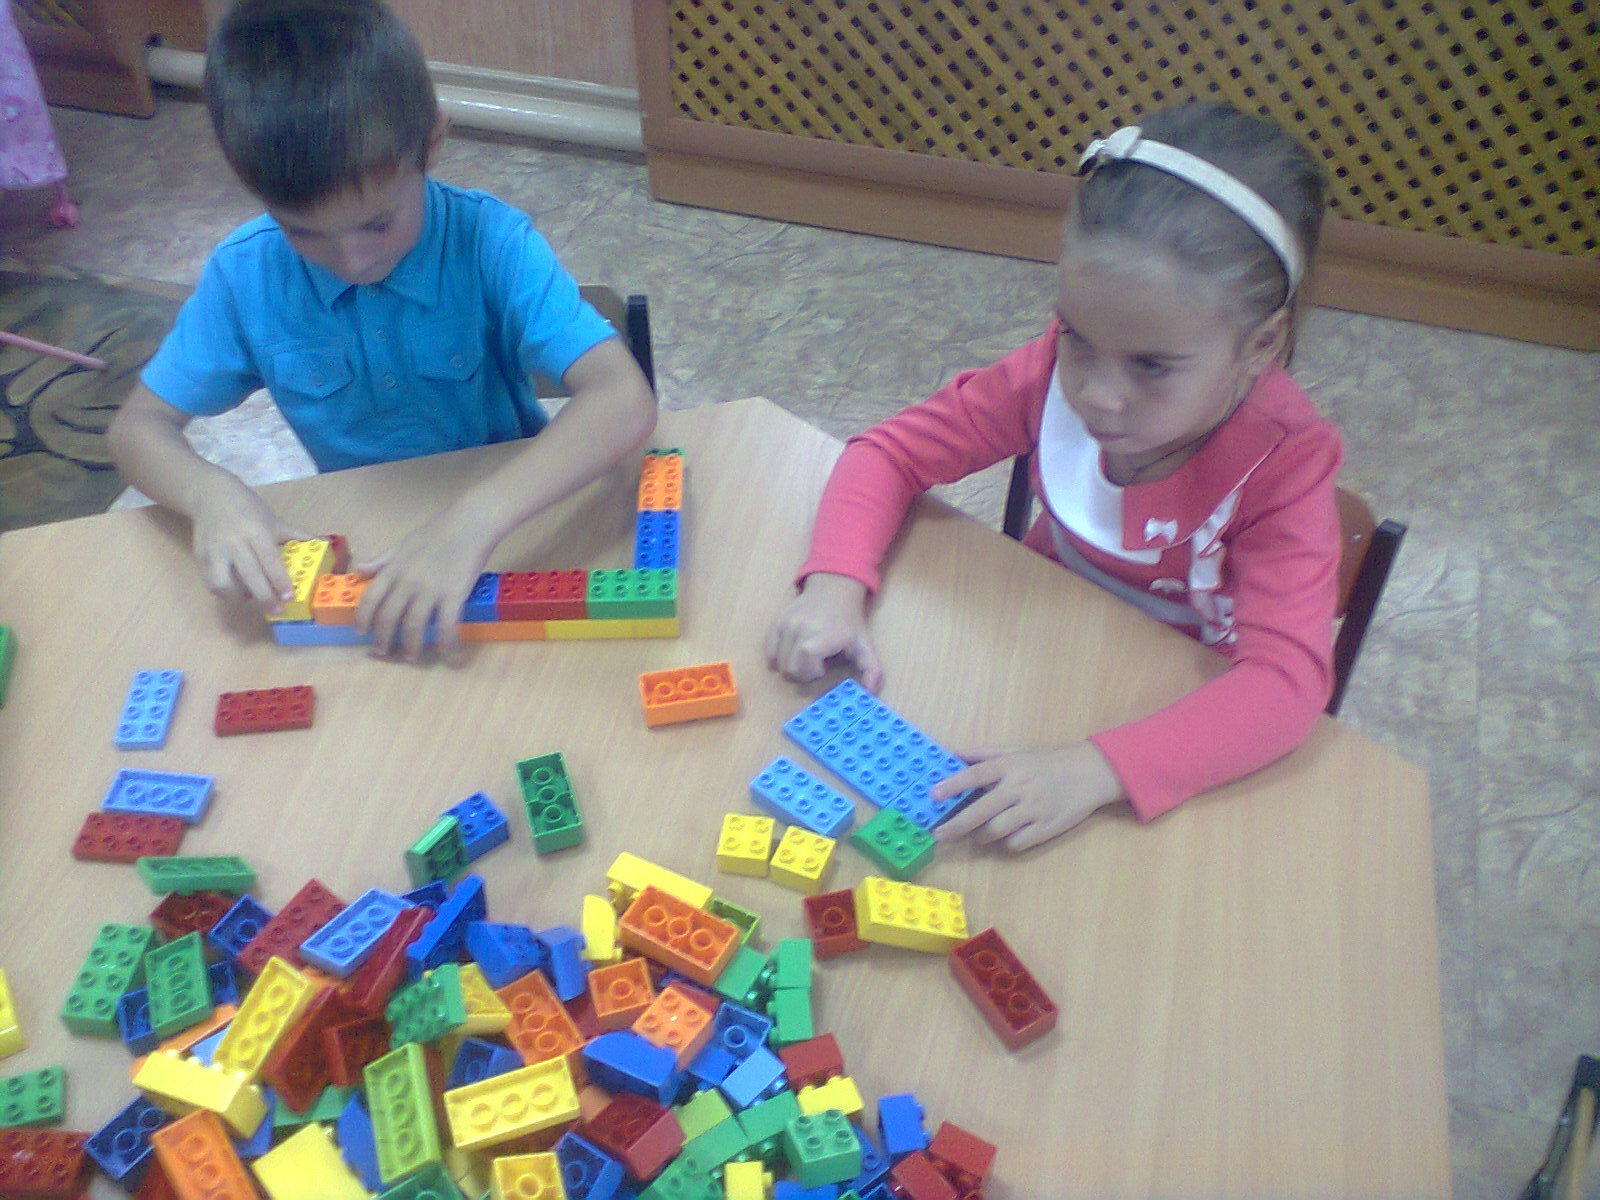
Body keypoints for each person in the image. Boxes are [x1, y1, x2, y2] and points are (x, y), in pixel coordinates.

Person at [765, 101, 1342, 851]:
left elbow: (1285, 687)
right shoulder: (1046, 373)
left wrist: (1101, 768)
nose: (1096, 393)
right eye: (1076, 336)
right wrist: (834, 583)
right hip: (1039, 657)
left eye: (1152, 365)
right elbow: (889, 453)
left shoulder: (1287, 462)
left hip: (1178, 713)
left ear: (1261, 344)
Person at [107, 0, 655, 660]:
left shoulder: (491, 241)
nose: (353, 260)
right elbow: (137, 428)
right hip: (369, 539)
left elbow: (622, 399)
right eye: (303, 231)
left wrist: (473, 522)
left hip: (508, 520)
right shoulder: (244, 275)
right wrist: (210, 495)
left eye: (377, 223)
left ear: (432, 143)